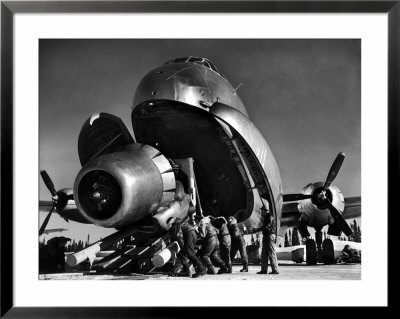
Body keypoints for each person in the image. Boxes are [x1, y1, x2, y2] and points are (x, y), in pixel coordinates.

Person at [253, 210, 279, 275]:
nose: (261, 212)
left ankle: (275, 270)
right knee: (264, 253)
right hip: (266, 236)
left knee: (271, 253)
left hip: (269, 236)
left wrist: (257, 229)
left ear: (265, 210)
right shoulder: (267, 217)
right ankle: (264, 270)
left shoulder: (269, 216)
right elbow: (265, 227)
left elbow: (267, 227)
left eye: (262, 210)